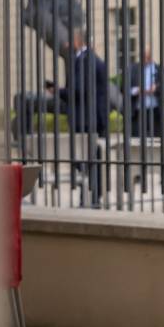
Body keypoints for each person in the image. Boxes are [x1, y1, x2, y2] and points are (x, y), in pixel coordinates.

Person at [65, 31, 108, 205]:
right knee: (92, 160)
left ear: (77, 41)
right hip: (94, 118)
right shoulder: (92, 59)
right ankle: (92, 196)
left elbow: (78, 90)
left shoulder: (84, 60)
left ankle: (91, 197)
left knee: (86, 160)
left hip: (86, 120)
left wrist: (59, 91)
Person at [129, 52, 164, 139]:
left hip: (156, 111)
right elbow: (123, 87)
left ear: (150, 58)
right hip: (137, 112)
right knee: (137, 140)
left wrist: (156, 88)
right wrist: (135, 90)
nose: (145, 60)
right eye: (143, 57)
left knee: (157, 140)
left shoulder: (163, 71)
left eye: (147, 58)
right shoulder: (132, 70)